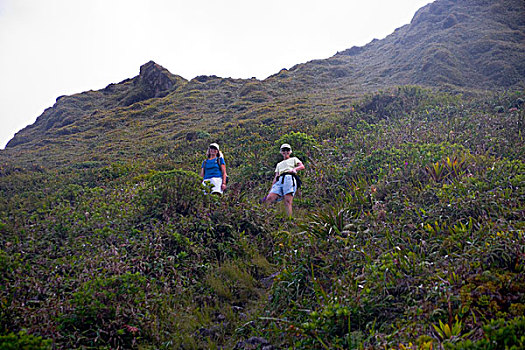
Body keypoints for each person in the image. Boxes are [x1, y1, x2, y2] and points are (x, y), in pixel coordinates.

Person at [264, 143, 305, 218]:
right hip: (280, 180)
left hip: (289, 178)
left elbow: (302, 166)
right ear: (281, 152)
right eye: (283, 150)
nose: (285, 152)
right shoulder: (279, 164)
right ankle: (266, 217)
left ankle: (289, 220)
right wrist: (272, 187)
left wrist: (294, 169)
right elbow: (276, 176)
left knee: (287, 201)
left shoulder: (294, 159)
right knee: (269, 198)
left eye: (287, 150)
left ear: (290, 151)